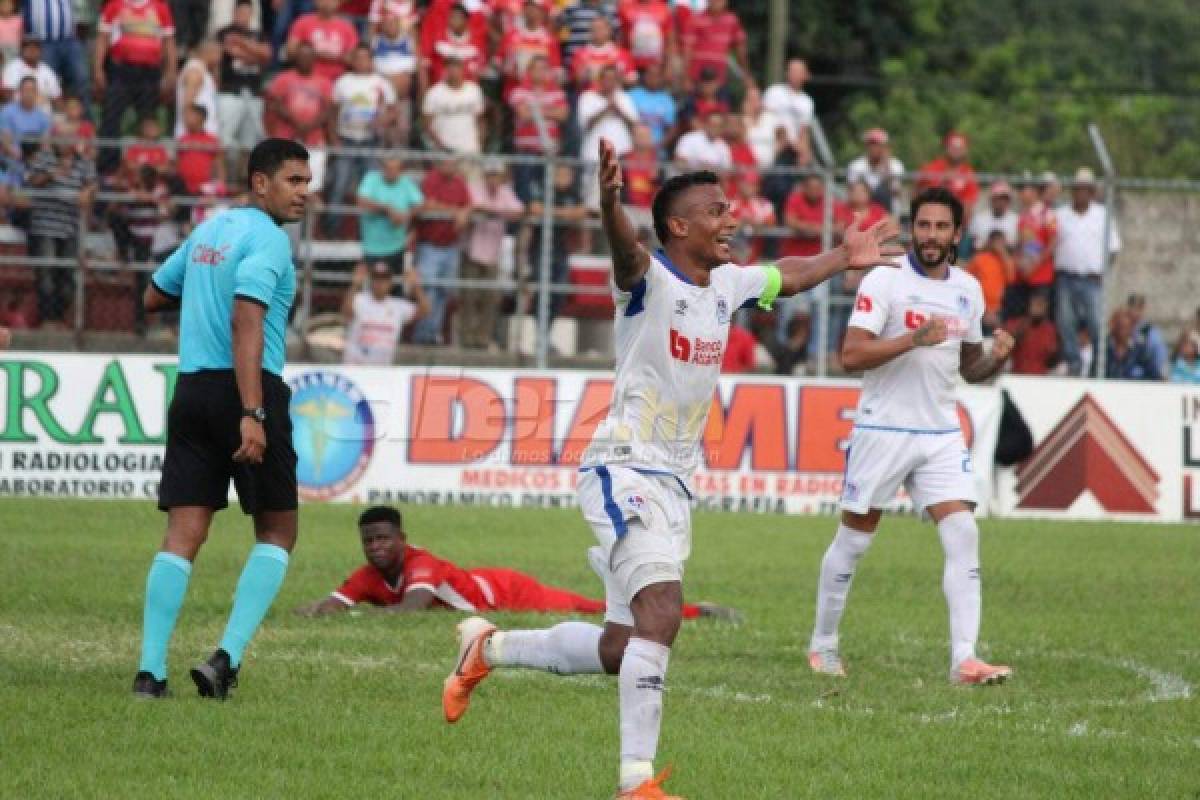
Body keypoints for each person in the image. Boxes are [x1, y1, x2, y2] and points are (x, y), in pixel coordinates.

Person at [440, 137, 900, 799]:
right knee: (663, 611)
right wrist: (608, 204)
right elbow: (626, 251)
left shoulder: (728, 285)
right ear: (679, 227)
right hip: (622, 469)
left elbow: (789, 275)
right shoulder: (648, 280)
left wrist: (842, 257)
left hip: (675, 484)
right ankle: (636, 783)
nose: (732, 220)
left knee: (621, 648)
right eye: (717, 211)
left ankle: (487, 648)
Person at [807, 187, 1014, 688]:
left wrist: (996, 357)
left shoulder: (967, 289)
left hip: (941, 430)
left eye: (942, 227)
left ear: (957, 235)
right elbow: (852, 355)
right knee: (855, 540)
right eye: (924, 225)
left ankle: (964, 658)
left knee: (964, 531)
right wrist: (911, 340)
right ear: (913, 229)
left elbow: (970, 367)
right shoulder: (885, 280)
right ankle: (823, 643)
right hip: (883, 427)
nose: (931, 236)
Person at [132, 138, 312, 700]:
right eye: (294, 181)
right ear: (260, 182)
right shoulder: (270, 242)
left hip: (191, 391)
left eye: (307, 181)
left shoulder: (208, 230)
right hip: (248, 391)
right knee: (279, 530)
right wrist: (253, 413)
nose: (305, 192)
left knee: (183, 534)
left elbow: (153, 296)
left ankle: (149, 672)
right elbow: (245, 320)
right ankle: (225, 659)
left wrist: (202, 292)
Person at [298, 506, 739, 618]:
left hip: (510, 593)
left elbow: (412, 608)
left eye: (383, 539)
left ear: (402, 540)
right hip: (492, 591)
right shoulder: (368, 575)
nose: (376, 547)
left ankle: (699, 610)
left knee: (599, 611)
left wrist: (358, 615)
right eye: (369, 541)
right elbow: (333, 603)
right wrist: (315, 610)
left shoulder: (421, 565)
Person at [94, 0, 177, 174]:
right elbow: (103, 38)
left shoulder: (160, 8)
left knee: (148, 120)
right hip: (121, 70)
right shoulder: (114, 5)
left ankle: (150, 169)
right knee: (111, 118)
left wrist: (171, 72)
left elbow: (169, 42)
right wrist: (98, 69)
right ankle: (109, 169)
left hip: (150, 72)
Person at [26, 123, 96, 327]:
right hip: (45, 225)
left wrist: (88, 192)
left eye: (70, 138)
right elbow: (31, 180)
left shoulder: (84, 162)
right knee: (46, 273)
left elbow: (93, 184)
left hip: (70, 226)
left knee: (68, 275)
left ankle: (59, 317)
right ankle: (48, 319)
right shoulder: (44, 158)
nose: (67, 142)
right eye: (63, 138)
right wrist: (51, 174)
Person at [1054, 167, 1120, 376]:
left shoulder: (1102, 215)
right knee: (1066, 323)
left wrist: (1103, 271)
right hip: (1065, 276)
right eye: (1077, 189)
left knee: (1096, 324)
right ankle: (1074, 363)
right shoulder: (1061, 215)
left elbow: (1114, 248)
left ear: (1092, 193)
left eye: (1085, 190)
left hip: (1091, 279)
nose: (1080, 194)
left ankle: (1097, 366)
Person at [461, 160, 524, 350]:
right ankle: (466, 340)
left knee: (490, 299)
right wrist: (497, 211)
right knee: (468, 298)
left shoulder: (505, 192)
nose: (493, 180)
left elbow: (518, 211)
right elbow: (474, 206)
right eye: (490, 175)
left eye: (496, 176)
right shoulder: (475, 188)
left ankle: (482, 339)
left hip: (493, 254)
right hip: (472, 251)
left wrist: (491, 210)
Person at [411, 157, 470, 345]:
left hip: (450, 246)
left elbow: (468, 204)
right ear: (439, 164)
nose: (450, 167)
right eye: (447, 163)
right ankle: (422, 335)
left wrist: (464, 212)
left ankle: (433, 333)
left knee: (444, 292)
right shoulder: (431, 180)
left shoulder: (460, 182)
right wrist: (455, 211)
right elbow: (426, 205)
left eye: (453, 164)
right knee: (427, 290)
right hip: (430, 245)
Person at [216, 0, 271, 181]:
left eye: (247, 12)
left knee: (250, 142)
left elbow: (266, 55)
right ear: (234, 12)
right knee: (224, 140)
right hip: (230, 92)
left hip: (253, 94)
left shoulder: (259, 34)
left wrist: (243, 45)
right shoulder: (224, 32)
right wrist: (254, 53)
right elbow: (232, 51)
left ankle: (243, 182)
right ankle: (223, 182)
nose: (243, 16)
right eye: (240, 12)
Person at [340, 260, 428, 364]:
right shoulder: (359, 300)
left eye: (384, 279)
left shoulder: (398, 306)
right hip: (356, 367)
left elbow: (425, 310)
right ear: (370, 280)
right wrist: (355, 285)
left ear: (390, 282)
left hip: (383, 370)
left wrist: (416, 287)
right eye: (376, 279)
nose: (380, 283)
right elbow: (346, 312)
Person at [355, 153, 422, 272]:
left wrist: (405, 215)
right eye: (387, 168)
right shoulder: (371, 178)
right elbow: (361, 201)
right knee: (371, 287)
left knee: (396, 288)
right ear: (382, 168)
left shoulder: (406, 183)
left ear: (400, 170)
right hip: (372, 248)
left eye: (394, 169)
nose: (390, 171)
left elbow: (420, 204)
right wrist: (387, 209)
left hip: (397, 247)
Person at [420, 55, 485, 156]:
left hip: (470, 149)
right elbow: (426, 125)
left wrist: (480, 142)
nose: (454, 71)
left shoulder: (474, 90)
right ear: (445, 70)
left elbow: (480, 120)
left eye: (457, 67)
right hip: (444, 153)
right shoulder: (434, 92)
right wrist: (440, 146)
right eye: (450, 67)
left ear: (462, 69)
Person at [286, 0, 359, 83]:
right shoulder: (302, 22)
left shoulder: (348, 27)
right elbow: (290, 52)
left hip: (338, 80)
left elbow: (352, 59)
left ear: (338, 2)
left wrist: (321, 54)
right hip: (306, 79)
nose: (326, 3)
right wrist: (326, 55)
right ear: (315, 2)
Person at [845, 127, 905, 214]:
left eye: (877, 144)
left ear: (885, 147)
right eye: (870, 144)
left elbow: (896, 192)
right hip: (863, 209)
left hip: (889, 210)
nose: (873, 148)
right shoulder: (856, 165)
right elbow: (851, 192)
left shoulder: (895, 165)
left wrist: (886, 166)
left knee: (882, 191)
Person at [965, 229, 1014, 333]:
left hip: (998, 310)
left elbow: (1011, 278)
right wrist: (984, 310)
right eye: (996, 242)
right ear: (990, 242)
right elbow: (967, 282)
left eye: (1001, 242)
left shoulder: (1005, 260)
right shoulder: (979, 258)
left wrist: (1003, 253)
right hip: (978, 308)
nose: (998, 245)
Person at [761, 58, 812, 155]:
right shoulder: (774, 91)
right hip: (772, 142)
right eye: (792, 70)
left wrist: (804, 151)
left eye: (797, 71)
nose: (794, 74)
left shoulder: (807, 102)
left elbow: (803, 131)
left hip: (793, 149)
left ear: (805, 75)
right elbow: (764, 118)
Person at [1003, 289, 1058, 376]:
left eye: (1041, 305)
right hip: (1018, 376)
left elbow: (1052, 359)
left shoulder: (1050, 329)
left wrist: (1054, 353)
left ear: (1046, 307)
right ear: (1029, 305)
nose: (1038, 308)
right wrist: (1021, 330)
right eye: (1035, 304)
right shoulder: (1018, 324)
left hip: (1040, 378)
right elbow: (1007, 347)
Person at [175, 39, 221, 138]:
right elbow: (188, 99)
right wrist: (191, 123)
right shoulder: (195, 70)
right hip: (194, 131)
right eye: (219, 54)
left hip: (202, 129)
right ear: (210, 52)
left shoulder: (202, 69)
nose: (220, 59)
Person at [1, 35, 61, 110]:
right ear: (22, 50)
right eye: (28, 47)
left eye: (36, 47)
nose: (32, 50)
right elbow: (7, 95)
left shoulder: (47, 70)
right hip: (18, 113)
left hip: (44, 115)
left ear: (40, 51)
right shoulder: (12, 67)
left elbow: (57, 97)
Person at [1104, 308, 1161, 381]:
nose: (1123, 332)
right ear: (1113, 327)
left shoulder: (1139, 350)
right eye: (1120, 327)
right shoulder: (1103, 349)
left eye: (1126, 327)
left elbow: (1154, 374)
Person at [1124, 293, 1168, 380]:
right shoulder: (1123, 329)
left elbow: (1160, 357)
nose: (1134, 312)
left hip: (1145, 376)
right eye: (1132, 307)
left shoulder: (1150, 331)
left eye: (1138, 308)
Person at [968, 181, 1018, 251]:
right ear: (992, 199)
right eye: (998, 198)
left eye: (1005, 198)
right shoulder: (979, 218)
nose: (1001, 202)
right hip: (982, 255)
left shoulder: (1016, 220)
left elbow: (1016, 246)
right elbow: (973, 244)